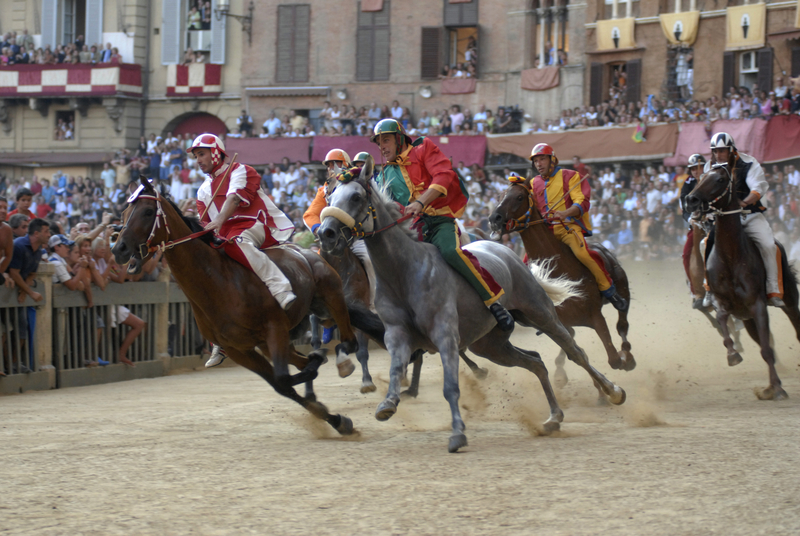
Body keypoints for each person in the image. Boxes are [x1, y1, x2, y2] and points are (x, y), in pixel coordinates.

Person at [371, 118, 514, 330]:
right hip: (414, 229)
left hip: (440, 219)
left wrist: (420, 202)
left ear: (399, 139)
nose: (382, 146)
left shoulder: (423, 148)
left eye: (386, 140)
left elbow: (444, 175)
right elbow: (390, 207)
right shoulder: (383, 174)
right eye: (379, 142)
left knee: (449, 252)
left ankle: (493, 301)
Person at [191, 134, 296, 367]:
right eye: (196, 156)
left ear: (216, 152)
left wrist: (218, 221)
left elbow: (234, 201)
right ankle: (219, 339)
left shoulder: (240, 170)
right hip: (224, 233)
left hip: (253, 224)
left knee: (236, 242)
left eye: (202, 154)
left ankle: (281, 287)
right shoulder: (202, 190)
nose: (198, 160)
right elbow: (204, 221)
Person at [527, 143, 627, 310]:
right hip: (545, 234)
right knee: (525, 265)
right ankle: (539, 309)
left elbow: (582, 203)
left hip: (567, 228)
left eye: (542, 159)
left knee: (583, 254)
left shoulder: (571, 176)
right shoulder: (533, 183)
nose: (538, 164)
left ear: (552, 160)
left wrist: (565, 213)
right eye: (536, 161)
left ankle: (609, 290)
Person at [703, 132, 783, 307]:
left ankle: (773, 289)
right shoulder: (709, 166)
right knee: (705, 243)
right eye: (715, 151)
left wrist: (744, 202)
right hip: (725, 220)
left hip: (751, 215)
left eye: (722, 150)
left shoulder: (748, 163)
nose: (718, 155)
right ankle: (708, 289)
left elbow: (758, 189)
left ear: (732, 150)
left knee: (769, 245)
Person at [304, 148, 377, 320]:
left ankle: (373, 305)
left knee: (368, 260)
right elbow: (310, 215)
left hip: (356, 237)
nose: (331, 168)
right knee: (312, 267)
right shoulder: (324, 190)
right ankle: (313, 309)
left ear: (345, 164)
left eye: (335, 164)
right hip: (333, 239)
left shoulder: (357, 183)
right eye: (328, 165)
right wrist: (320, 230)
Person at [7, 218, 50, 373]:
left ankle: (13, 363)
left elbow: (32, 273)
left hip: (16, 294)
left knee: (22, 328)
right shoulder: (19, 246)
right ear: (36, 233)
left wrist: (25, 288)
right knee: (10, 329)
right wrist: (29, 292)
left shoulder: (38, 251)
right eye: (46, 231)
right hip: (7, 292)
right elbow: (13, 272)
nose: (49, 235)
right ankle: (9, 363)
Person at [680, 154, 706, 309]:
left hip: (715, 221)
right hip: (696, 225)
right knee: (686, 254)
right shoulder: (688, 183)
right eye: (694, 168)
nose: (697, 171)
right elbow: (684, 207)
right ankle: (695, 290)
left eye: (700, 167)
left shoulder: (713, 177)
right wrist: (691, 219)